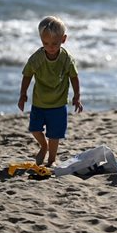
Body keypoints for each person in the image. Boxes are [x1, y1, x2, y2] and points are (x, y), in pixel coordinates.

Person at [18, 16, 83, 167]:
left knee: (55, 135)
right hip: (39, 102)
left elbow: (74, 76)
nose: (50, 47)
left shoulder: (66, 59)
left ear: (63, 39)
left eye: (55, 43)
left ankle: (52, 159)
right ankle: (43, 146)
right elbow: (27, 75)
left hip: (58, 104)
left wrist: (77, 96)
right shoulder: (37, 58)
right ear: (41, 40)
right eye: (45, 43)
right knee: (34, 129)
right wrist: (23, 94)